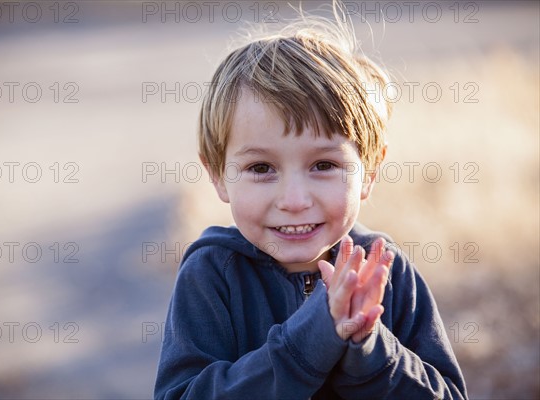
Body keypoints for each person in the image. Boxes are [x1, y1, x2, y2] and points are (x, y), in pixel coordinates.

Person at [154, 4, 468, 399]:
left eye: (323, 164)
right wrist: (308, 341)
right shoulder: (213, 274)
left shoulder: (384, 271)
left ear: (368, 172)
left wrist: (370, 347)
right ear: (219, 176)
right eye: (261, 168)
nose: (295, 200)